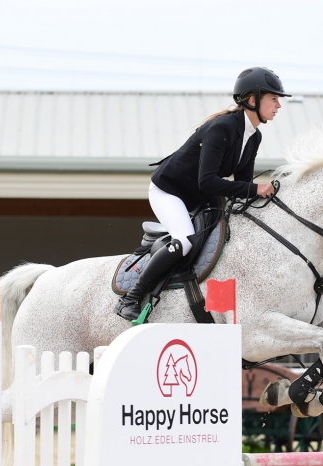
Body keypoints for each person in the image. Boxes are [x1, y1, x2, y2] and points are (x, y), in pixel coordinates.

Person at [115, 67, 290, 320]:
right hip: (170, 190)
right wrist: (255, 188)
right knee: (185, 239)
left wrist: (265, 193)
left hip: (198, 194)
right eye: (274, 98)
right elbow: (208, 181)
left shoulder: (253, 136)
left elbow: (241, 184)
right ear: (252, 100)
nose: (278, 105)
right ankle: (130, 298)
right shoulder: (222, 128)